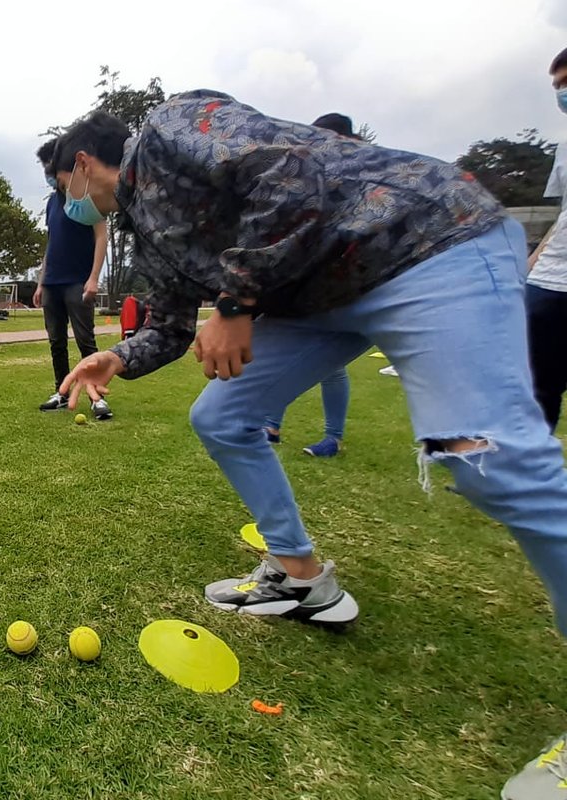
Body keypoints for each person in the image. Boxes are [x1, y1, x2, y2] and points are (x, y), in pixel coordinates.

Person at [52, 94, 567, 799]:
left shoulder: (174, 128)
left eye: (64, 190)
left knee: (487, 459)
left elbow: (292, 172)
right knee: (223, 416)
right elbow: (169, 326)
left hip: (424, 241)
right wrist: (118, 359)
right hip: (321, 299)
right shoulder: (145, 229)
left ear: (81, 165)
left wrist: (234, 306)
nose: (73, 206)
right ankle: (301, 579)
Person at [262, 113, 359, 457]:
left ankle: (333, 437)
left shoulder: (360, 178)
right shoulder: (313, 178)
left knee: (330, 362)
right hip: (308, 279)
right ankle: (271, 425)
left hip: (346, 283)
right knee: (280, 349)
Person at [33, 138, 112, 420]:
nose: (49, 175)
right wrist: (41, 282)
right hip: (52, 283)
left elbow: (101, 235)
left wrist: (93, 278)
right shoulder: (53, 203)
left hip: (77, 282)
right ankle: (61, 392)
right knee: (56, 342)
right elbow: (51, 242)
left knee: (85, 342)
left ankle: (96, 398)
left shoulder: (88, 196)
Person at [525, 47, 567, 434]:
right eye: (558, 85)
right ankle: (528, 476)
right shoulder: (566, 147)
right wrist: (535, 258)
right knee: (538, 385)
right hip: (552, 282)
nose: (561, 93)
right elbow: (563, 213)